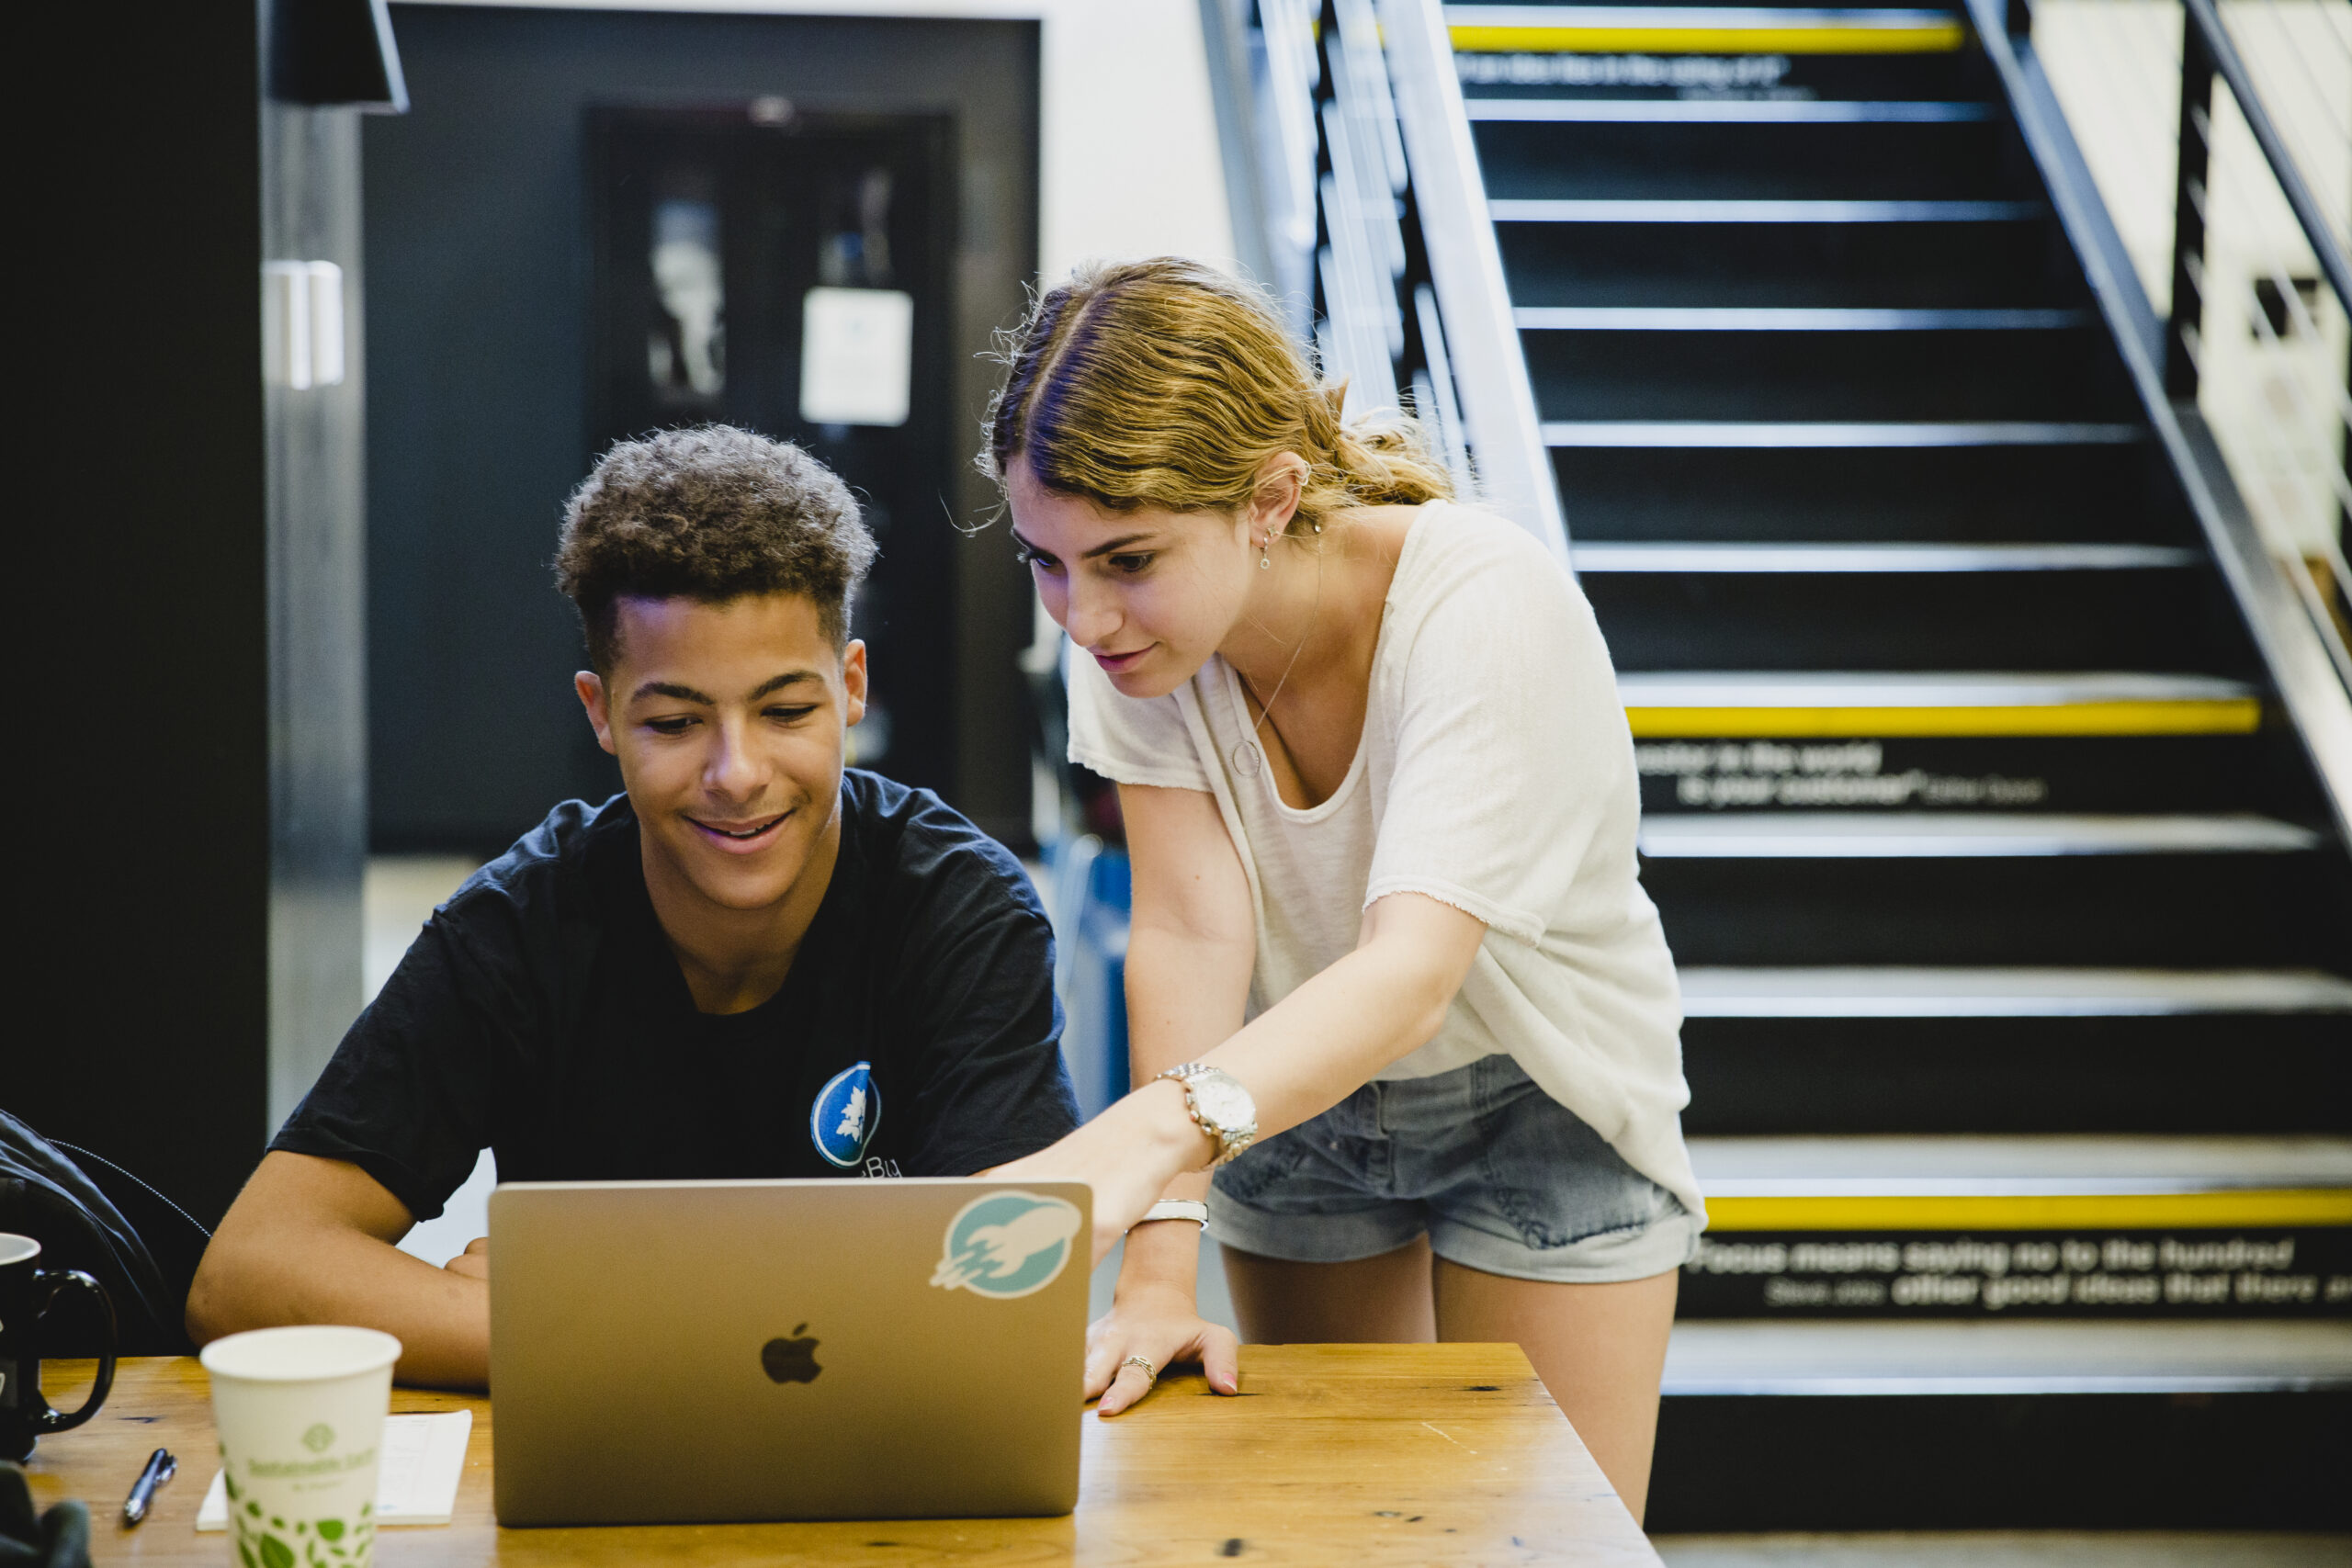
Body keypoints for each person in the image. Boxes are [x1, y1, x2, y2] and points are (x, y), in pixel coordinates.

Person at [984, 259, 1703, 1520]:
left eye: (1125, 556)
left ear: (1269, 498)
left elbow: (1411, 972)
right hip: (1287, 1099)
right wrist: (1158, 1265)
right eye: (1046, 560)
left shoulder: (1481, 599)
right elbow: (1191, 928)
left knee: (1537, 1545)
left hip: (1542, 1092)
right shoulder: (1140, 641)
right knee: (1335, 1535)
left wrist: (1145, 1138)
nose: (1082, 615)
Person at [187, 426, 1080, 1388]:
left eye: (785, 712)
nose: (737, 775)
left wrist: (582, 1317)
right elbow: (246, 1273)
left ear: (850, 687)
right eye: (673, 722)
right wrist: (577, 1332)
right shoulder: (517, 928)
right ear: (599, 713)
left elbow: (1013, 1278)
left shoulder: (961, 908)